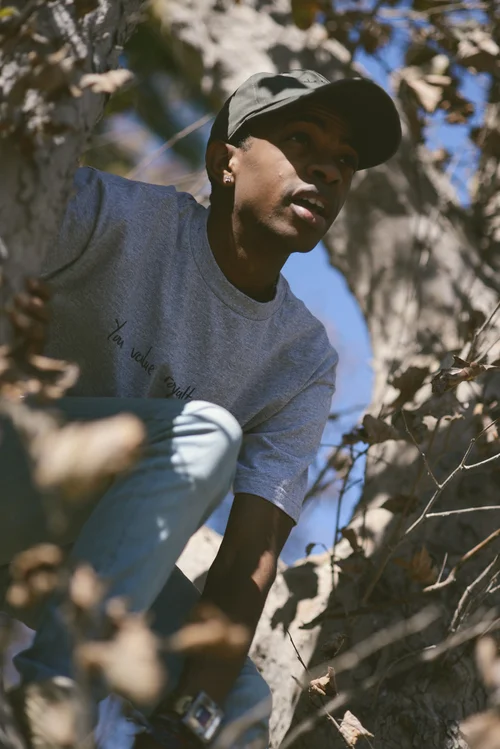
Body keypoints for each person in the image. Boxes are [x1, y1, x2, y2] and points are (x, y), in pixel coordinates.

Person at [1, 70, 401, 748]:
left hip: (75, 562)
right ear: (225, 162)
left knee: (235, 704)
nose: (328, 170)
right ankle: (54, 703)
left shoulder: (301, 359)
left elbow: (249, 553)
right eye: (301, 140)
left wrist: (190, 724)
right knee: (205, 433)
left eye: (345, 161)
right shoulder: (108, 212)